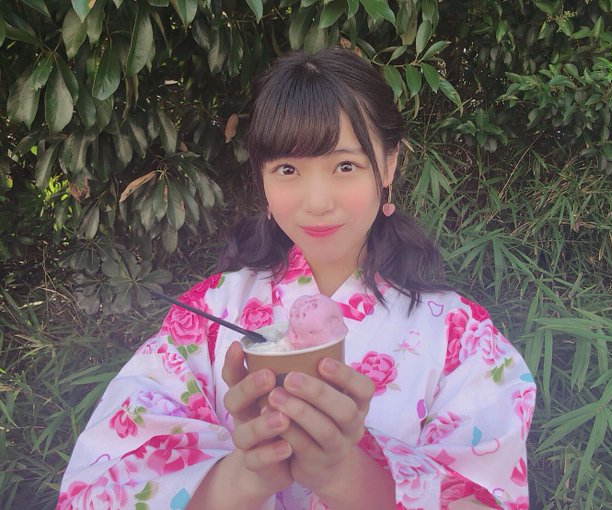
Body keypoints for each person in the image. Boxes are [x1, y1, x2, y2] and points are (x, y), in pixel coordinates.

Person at [57, 48, 536, 510]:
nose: (317, 202)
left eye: (345, 166)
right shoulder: (208, 318)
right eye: (287, 169)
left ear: (388, 164)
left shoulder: (462, 340)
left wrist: (342, 475)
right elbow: (98, 489)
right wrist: (247, 476)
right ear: (262, 180)